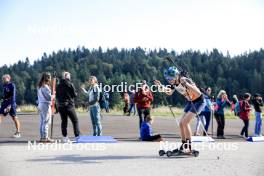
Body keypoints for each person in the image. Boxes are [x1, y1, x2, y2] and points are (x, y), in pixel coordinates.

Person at [154, 66, 205, 152]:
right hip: (190, 101)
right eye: (168, 79)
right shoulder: (174, 83)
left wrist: (186, 84)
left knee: (185, 122)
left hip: (199, 101)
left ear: (176, 75)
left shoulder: (185, 79)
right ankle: (184, 144)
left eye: (171, 78)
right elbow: (169, 92)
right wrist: (160, 86)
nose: (170, 81)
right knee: (181, 124)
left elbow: (198, 92)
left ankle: (189, 147)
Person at [56, 72, 80, 143]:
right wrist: (76, 93)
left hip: (60, 105)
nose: (70, 77)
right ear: (66, 76)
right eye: (69, 76)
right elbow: (74, 95)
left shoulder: (58, 85)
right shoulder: (70, 84)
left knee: (64, 122)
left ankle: (65, 137)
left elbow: (57, 95)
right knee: (75, 121)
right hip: (69, 105)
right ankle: (77, 137)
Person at [37, 72, 54, 142]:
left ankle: (42, 137)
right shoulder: (45, 87)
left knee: (42, 122)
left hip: (40, 104)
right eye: (50, 77)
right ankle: (45, 137)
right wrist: (53, 96)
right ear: (48, 78)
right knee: (45, 121)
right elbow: (49, 97)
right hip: (45, 105)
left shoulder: (39, 86)